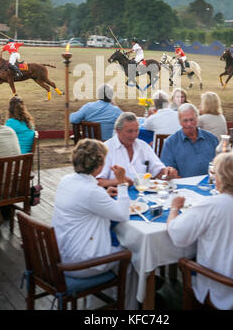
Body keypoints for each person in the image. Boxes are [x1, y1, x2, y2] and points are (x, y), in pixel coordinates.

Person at [167, 153, 233, 310]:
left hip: (228, 286)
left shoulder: (213, 205)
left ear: (221, 178)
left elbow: (178, 235)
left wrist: (174, 208)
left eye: (215, 174)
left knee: (185, 262)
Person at [51, 138, 138, 309]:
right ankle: (129, 307)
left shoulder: (67, 181)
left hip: (61, 254)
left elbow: (87, 202)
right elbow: (122, 214)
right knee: (133, 255)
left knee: (121, 247)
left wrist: (104, 193)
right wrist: (121, 183)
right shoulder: (91, 191)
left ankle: (106, 298)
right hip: (79, 263)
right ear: (99, 166)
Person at [97, 112, 178, 188]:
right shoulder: (106, 149)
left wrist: (168, 173)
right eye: (130, 131)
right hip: (115, 195)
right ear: (118, 131)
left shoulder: (143, 146)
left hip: (143, 194)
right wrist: (120, 181)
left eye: (136, 131)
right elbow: (97, 182)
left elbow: (158, 172)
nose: (134, 135)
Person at [160, 103, 219, 177]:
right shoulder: (171, 142)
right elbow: (167, 170)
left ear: (197, 119)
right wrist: (170, 173)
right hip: (182, 186)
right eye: (185, 120)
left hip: (209, 185)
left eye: (192, 119)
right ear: (180, 122)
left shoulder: (212, 139)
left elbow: (221, 166)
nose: (189, 124)